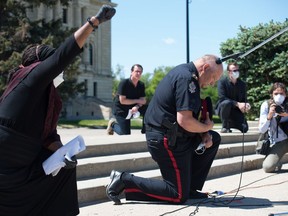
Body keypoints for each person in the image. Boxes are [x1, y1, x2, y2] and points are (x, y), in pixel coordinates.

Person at [0, 5, 115, 216]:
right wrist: (93, 23)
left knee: (64, 172)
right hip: (9, 156)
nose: (59, 73)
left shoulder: (48, 94)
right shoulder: (31, 77)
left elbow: (48, 134)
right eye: (54, 69)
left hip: (27, 152)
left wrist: (63, 153)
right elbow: (63, 55)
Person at [106, 54, 223, 205]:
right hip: (165, 139)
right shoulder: (186, 78)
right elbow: (185, 120)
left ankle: (191, 189)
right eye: (213, 77)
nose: (212, 83)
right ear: (205, 68)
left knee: (214, 138)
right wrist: (207, 126)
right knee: (177, 195)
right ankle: (123, 180)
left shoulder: (188, 76)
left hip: (177, 136)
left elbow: (188, 117)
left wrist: (205, 132)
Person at [107, 64, 147, 135]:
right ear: (131, 72)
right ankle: (112, 124)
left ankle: (145, 131)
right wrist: (137, 101)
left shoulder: (141, 85)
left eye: (140, 72)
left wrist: (137, 106)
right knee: (125, 134)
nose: (138, 73)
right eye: (136, 71)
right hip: (121, 109)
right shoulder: (124, 83)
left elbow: (143, 101)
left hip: (133, 108)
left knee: (148, 109)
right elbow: (122, 101)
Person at [258, 82, 288, 173]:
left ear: (285, 94)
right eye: (276, 93)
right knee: (268, 167)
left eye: (281, 93)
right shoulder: (266, 105)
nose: (279, 96)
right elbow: (262, 130)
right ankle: (277, 162)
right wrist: (269, 116)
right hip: (279, 142)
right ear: (272, 95)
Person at [215, 62, 250, 133]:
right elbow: (222, 97)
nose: (236, 72)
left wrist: (246, 105)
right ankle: (225, 126)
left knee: (245, 128)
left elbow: (244, 99)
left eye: (238, 70)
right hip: (223, 108)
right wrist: (237, 104)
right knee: (226, 103)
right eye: (234, 70)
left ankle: (230, 123)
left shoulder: (242, 84)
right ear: (229, 72)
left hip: (236, 110)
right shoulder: (222, 82)